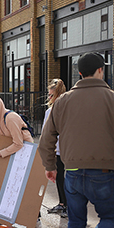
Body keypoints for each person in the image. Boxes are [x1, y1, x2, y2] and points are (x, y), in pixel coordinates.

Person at [39, 53, 114, 228]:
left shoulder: (62, 102)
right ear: (100, 70)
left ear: (79, 73)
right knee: (111, 217)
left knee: (76, 223)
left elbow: (46, 138)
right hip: (103, 172)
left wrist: (50, 166)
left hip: (72, 173)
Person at [0, 95, 40, 228]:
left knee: (24, 186)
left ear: (0, 106)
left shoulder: (10, 118)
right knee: (9, 183)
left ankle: (35, 219)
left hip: (24, 152)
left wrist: (1, 153)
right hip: (12, 150)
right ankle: (10, 215)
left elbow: (19, 143)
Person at [42, 79, 67, 218]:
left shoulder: (55, 110)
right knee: (60, 178)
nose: (49, 98)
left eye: (52, 95)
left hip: (63, 149)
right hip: (60, 149)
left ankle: (65, 204)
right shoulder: (52, 111)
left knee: (63, 178)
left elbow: (48, 134)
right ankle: (63, 203)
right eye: (49, 95)